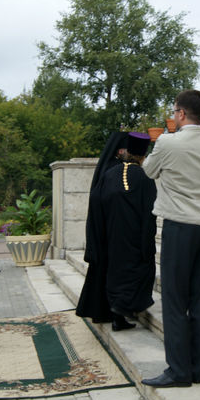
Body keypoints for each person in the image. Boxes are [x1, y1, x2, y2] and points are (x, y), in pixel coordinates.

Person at [141, 90, 200, 388]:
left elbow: (148, 170)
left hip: (180, 227)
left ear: (180, 113)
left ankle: (178, 371)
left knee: (176, 299)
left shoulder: (167, 142)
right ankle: (195, 368)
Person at [76, 132, 157, 331]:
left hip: (111, 235)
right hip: (134, 237)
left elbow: (96, 205)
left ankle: (118, 317)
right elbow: (150, 212)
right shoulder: (144, 176)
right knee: (139, 271)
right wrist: (148, 241)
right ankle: (122, 310)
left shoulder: (109, 174)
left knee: (115, 273)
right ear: (142, 156)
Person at [76, 132, 129, 325]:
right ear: (121, 150)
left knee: (100, 272)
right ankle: (112, 314)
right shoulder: (118, 170)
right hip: (112, 230)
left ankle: (99, 311)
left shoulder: (106, 167)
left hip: (102, 229)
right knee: (110, 272)